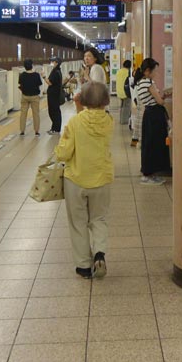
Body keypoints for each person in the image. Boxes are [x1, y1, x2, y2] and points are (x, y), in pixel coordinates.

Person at [55, 81, 115, 280]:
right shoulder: (109, 121)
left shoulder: (75, 122)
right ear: (106, 100)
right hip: (102, 178)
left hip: (76, 179)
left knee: (78, 223)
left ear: (83, 99)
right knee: (99, 219)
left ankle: (83, 266)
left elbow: (63, 153)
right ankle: (99, 253)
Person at [137, 58, 170, 184]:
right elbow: (160, 101)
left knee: (149, 143)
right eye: (155, 70)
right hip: (154, 116)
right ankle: (148, 174)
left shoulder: (141, 82)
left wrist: (162, 96)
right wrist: (164, 98)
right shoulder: (148, 82)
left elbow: (155, 98)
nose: (156, 73)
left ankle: (149, 172)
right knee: (154, 144)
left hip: (149, 114)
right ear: (147, 71)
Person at [18, 59, 43, 137]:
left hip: (25, 96)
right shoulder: (36, 75)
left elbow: (20, 85)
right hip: (35, 97)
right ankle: (36, 131)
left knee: (23, 114)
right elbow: (39, 84)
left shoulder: (22, 75)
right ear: (32, 66)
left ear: (24, 66)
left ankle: (22, 131)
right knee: (36, 114)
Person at [45, 58, 63, 134]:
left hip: (53, 95)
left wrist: (43, 77)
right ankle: (54, 128)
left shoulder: (55, 72)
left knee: (54, 111)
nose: (51, 63)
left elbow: (50, 83)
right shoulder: (57, 71)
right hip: (55, 94)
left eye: (53, 61)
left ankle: (56, 129)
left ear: (56, 63)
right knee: (55, 111)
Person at [130, 64, 144, 147]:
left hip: (137, 107)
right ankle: (137, 140)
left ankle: (135, 140)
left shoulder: (136, 85)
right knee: (139, 125)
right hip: (139, 107)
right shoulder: (140, 85)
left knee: (137, 125)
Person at [116, 60, 132, 126]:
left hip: (119, 91)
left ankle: (121, 119)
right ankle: (124, 121)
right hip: (126, 92)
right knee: (126, 107)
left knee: (122, 106)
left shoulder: (119, 71)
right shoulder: (128, 72)